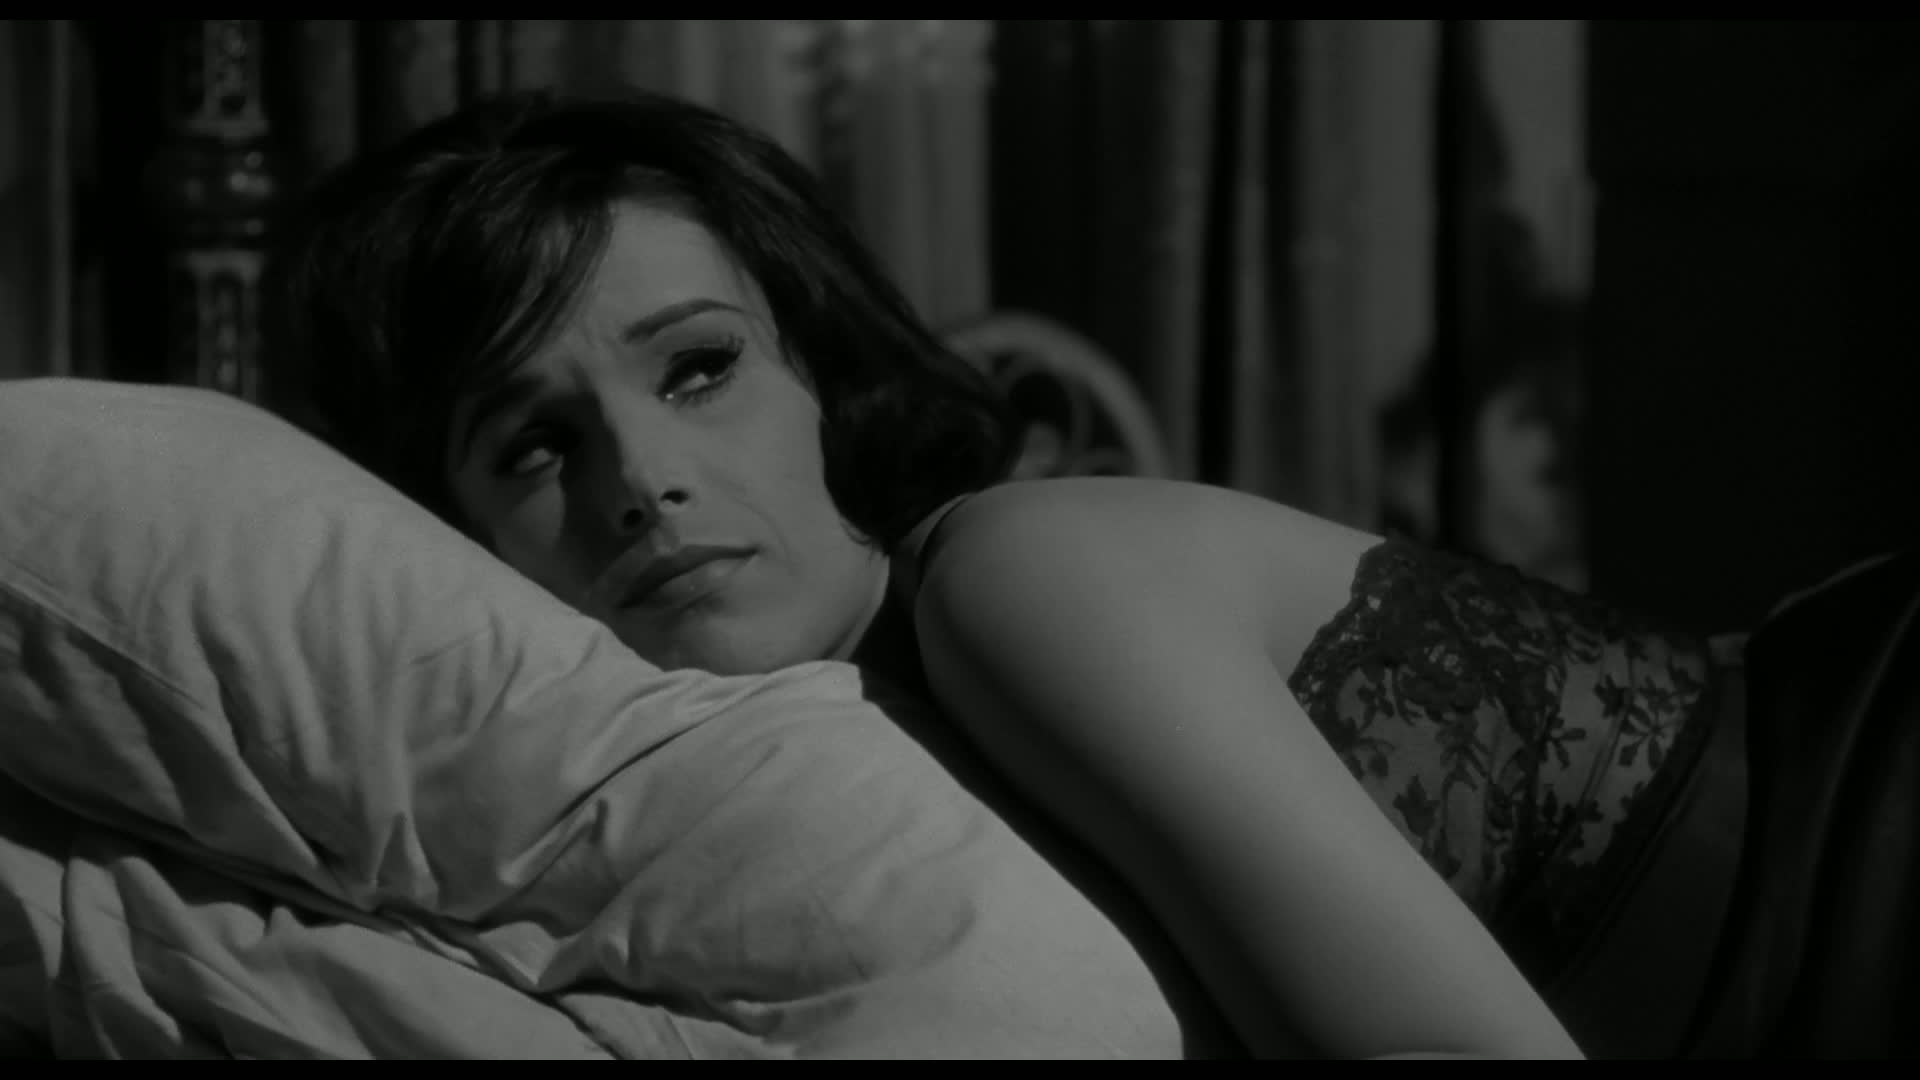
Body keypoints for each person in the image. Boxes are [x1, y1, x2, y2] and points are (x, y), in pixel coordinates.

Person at [269, 90, 1919, 1060]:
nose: (643, 480)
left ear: (817, 371)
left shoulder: (1015, 579)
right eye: (535, 446)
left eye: (698, 368)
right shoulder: (721, 800)